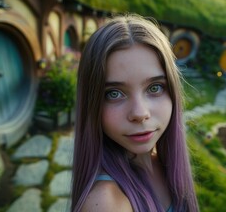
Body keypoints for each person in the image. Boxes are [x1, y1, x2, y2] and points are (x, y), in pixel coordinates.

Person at [71, 14, 199, 212]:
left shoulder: (163, 163)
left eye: (155, 88)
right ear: (92, 103)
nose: (140, 113)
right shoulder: (106, 203)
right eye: (114, 93)